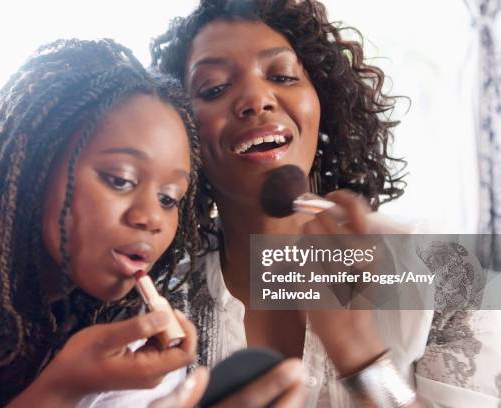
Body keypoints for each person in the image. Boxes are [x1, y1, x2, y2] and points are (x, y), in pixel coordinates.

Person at [151, 0, 501, 406]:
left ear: (323, 104)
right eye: (214, 88)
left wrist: (358, 351)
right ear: (181, 132)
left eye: (282, 75)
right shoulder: (159, 304)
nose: (256, 98)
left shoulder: (442, 271)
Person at [0, 38, 207, 408]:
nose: (152, 218)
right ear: (33, 170)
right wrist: (61, 390)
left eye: (168, 198)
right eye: (119, 179)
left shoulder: (140, 361)